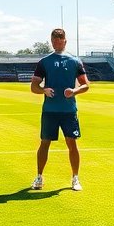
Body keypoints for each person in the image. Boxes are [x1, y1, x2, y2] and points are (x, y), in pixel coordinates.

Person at [30, 28, 90, 191]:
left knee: (72, 143)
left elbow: (85, 85)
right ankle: (39, 177)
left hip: (69, 111)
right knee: (44, 143)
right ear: (51, 42)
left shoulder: (75, 61)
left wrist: (74, 91)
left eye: (59, 40)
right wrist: (44, 90)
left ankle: (75, 178)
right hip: (50, 110)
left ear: (65, 41)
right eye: (54, 40)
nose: (57, 42)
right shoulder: (44, 62)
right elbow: (34, 86)